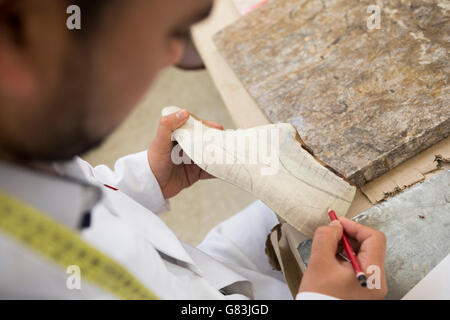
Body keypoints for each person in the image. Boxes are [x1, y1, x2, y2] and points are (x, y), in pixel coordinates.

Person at [0, 0, 387, 299]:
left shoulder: (23, 144)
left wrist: (143, 181)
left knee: (327, 198)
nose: (170, 56)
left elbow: (86, 199)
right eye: (173, 32)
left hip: (207, 279)